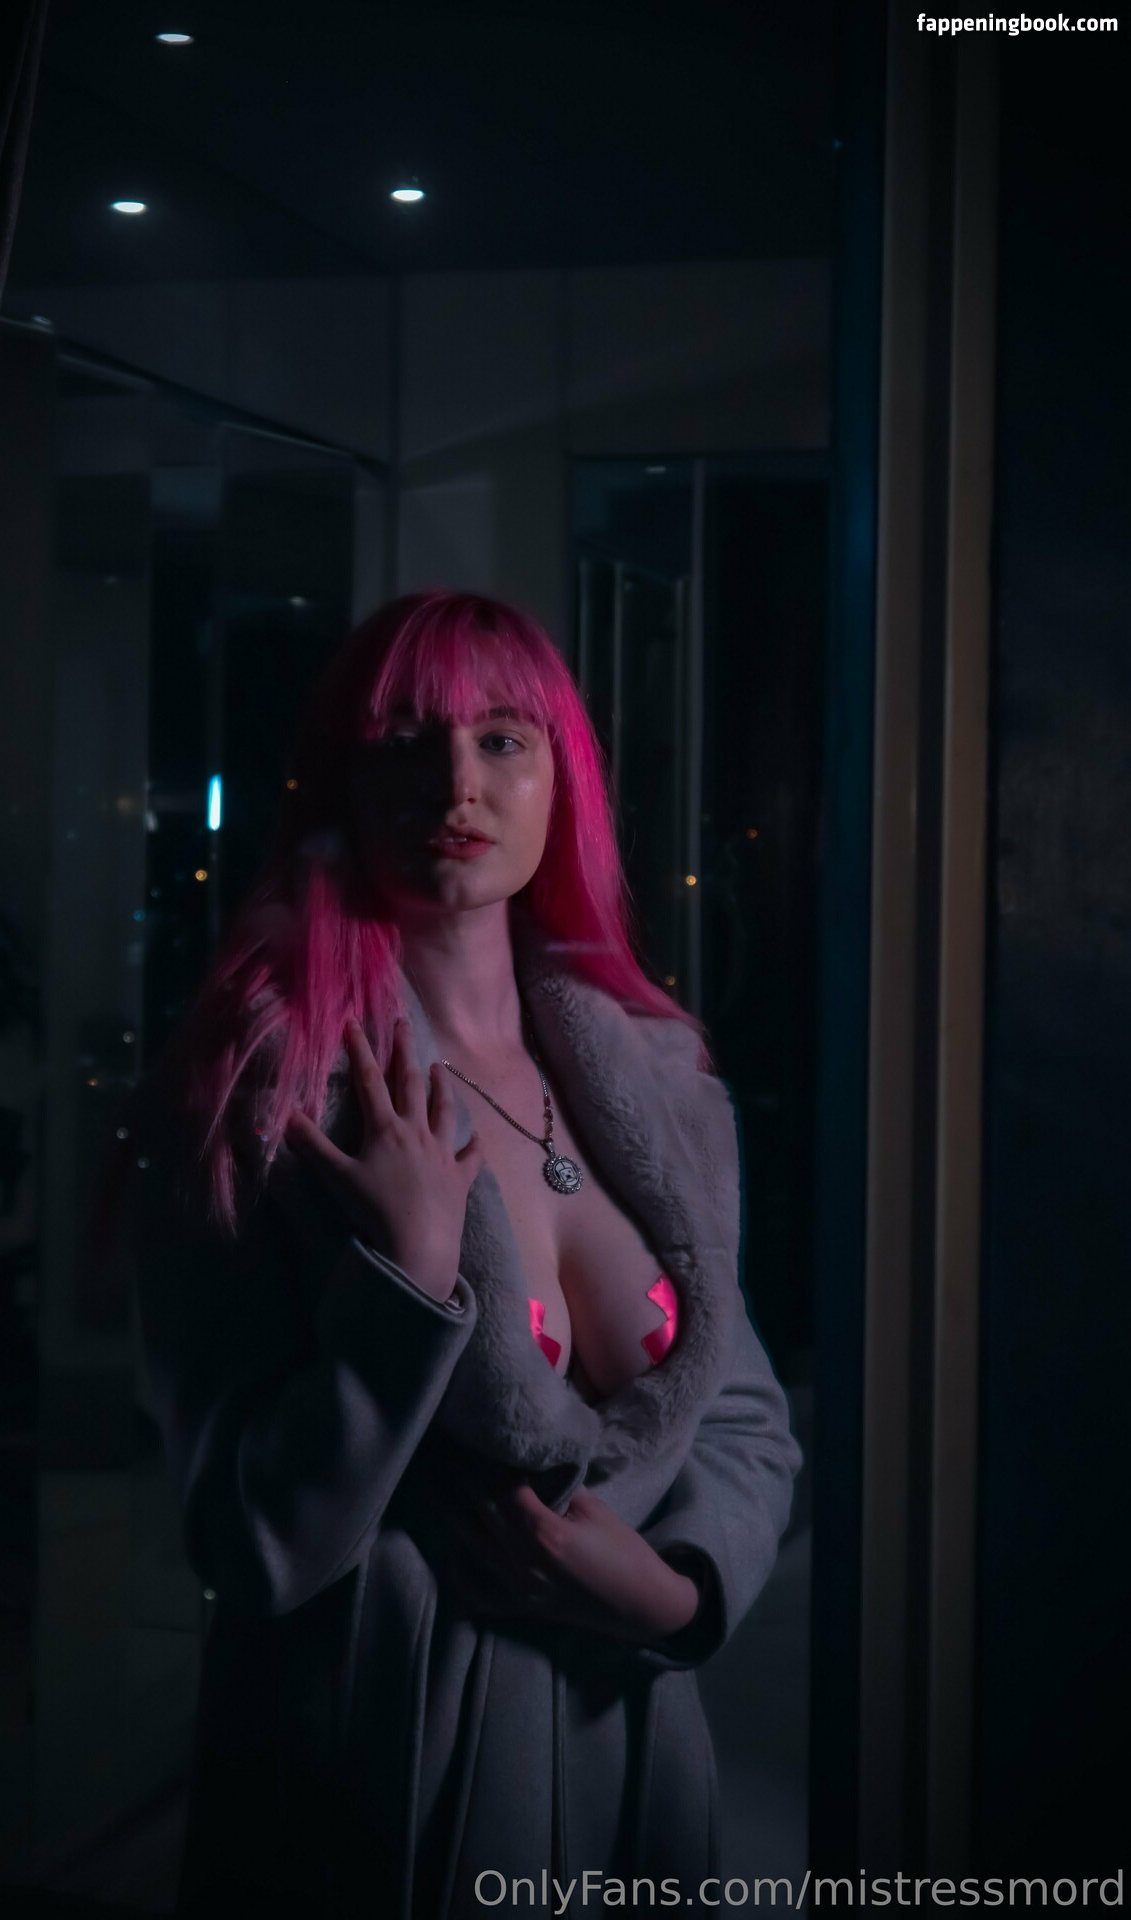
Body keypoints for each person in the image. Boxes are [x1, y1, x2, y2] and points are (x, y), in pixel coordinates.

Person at [126, 589, 803, 1920]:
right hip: (387, 1770)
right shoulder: (255, 1100)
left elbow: (743, 1419)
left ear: (562, 780)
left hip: (629, 1752)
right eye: (405, 742)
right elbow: (246, 1540)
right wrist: (407, 1281)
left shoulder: (658, 1079)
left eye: (502, 739)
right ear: (340, 779)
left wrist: (672, 1598)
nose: (457, 784)